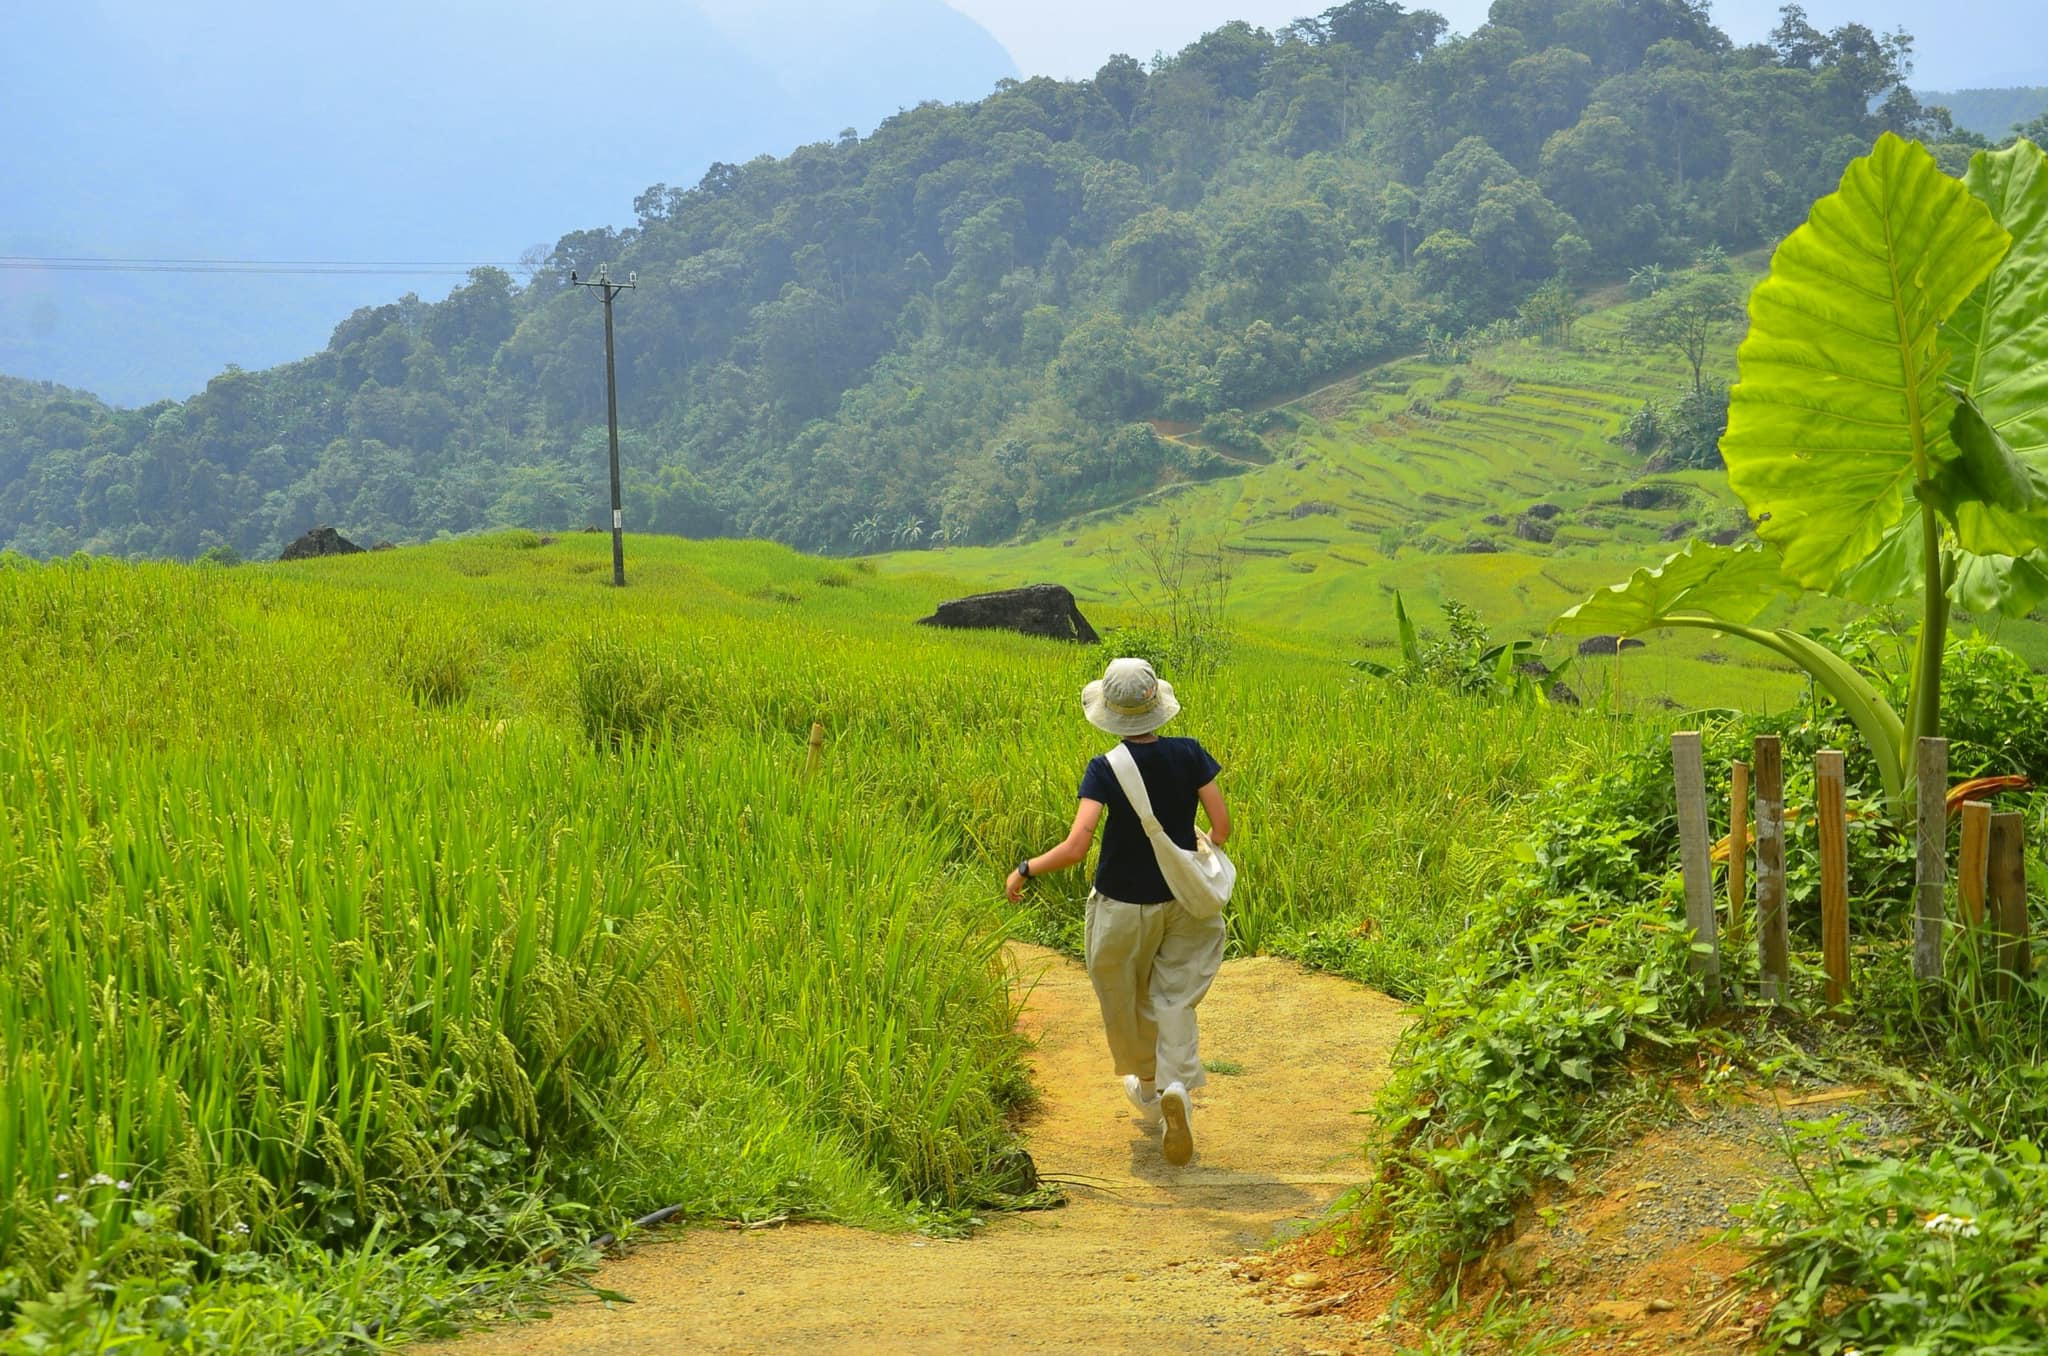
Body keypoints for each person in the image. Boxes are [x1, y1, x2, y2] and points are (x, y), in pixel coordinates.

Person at [1005, 657, 1231, 1166]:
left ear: (1110, 712)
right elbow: (1221, 825)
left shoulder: (1105, 769)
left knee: (1123, 995)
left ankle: (1149, 1091)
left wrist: (1026, 868)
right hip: (1184, 901)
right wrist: (1197, 854)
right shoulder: (1190, 754)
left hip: (1122, 905)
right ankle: (1177, 1086)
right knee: (1174, 996)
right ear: (1158, 704)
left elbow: (1076, 846)